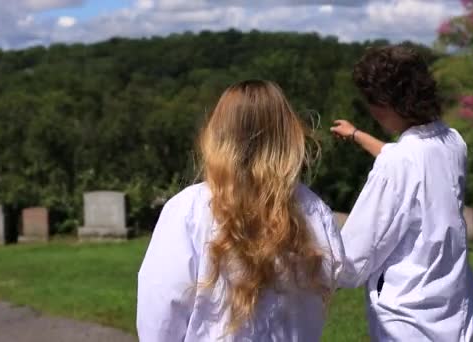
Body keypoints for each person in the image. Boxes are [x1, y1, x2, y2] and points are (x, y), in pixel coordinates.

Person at [137, 80, 345, 341]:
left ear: (217, 133)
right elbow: (330, 283)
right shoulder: (315, 211)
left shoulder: (189, 209)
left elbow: (161, 309)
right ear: (289, 134)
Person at [331, 45, 473, 341]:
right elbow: (410, 161)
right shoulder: (453, 142)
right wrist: (357, 135)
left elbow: (354, 258)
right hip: (457, 310)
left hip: (408, 320)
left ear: (385, 103)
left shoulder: (398, 162)